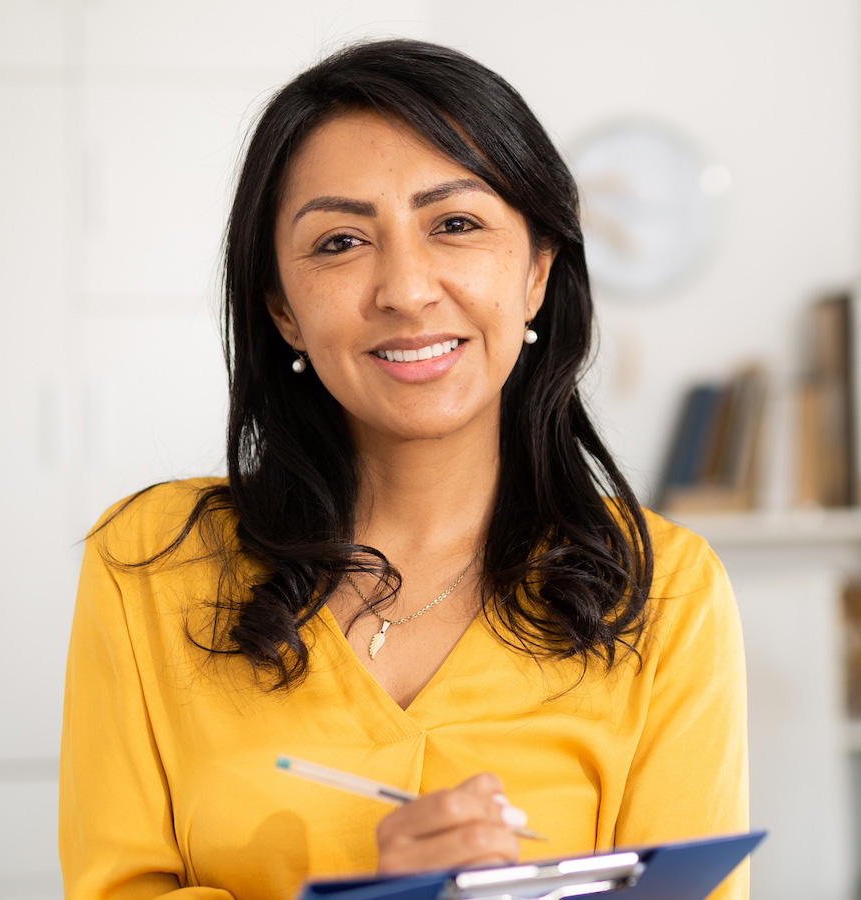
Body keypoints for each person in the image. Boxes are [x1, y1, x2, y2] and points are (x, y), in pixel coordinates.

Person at [59, 38, 749, 900]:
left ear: (536, 272)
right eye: (341, 241)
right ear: (282, 308)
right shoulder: (148, 566)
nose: (406, 289)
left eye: (455, 225)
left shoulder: (666, 593)